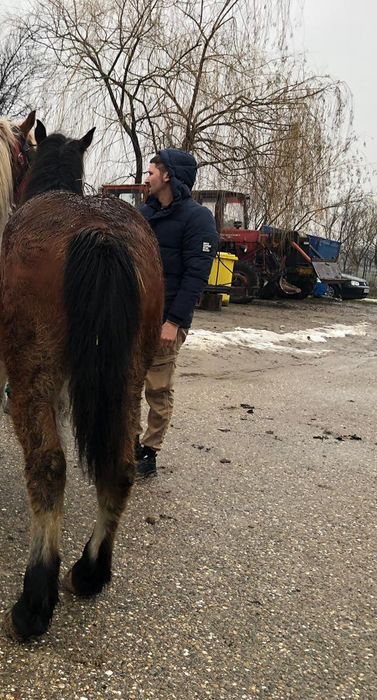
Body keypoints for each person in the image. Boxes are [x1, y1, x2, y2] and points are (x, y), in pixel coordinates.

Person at [135, 149, 218, 479]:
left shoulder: (199, 220)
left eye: (152, 171)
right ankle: (128, 444)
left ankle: (149, 450)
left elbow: (195, 278)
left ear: (168, 176)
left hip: (166, 320)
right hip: (134, 316)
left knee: (157, 387)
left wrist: (173, 322)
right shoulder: (143, 215)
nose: (147, 177)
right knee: (127, 384)